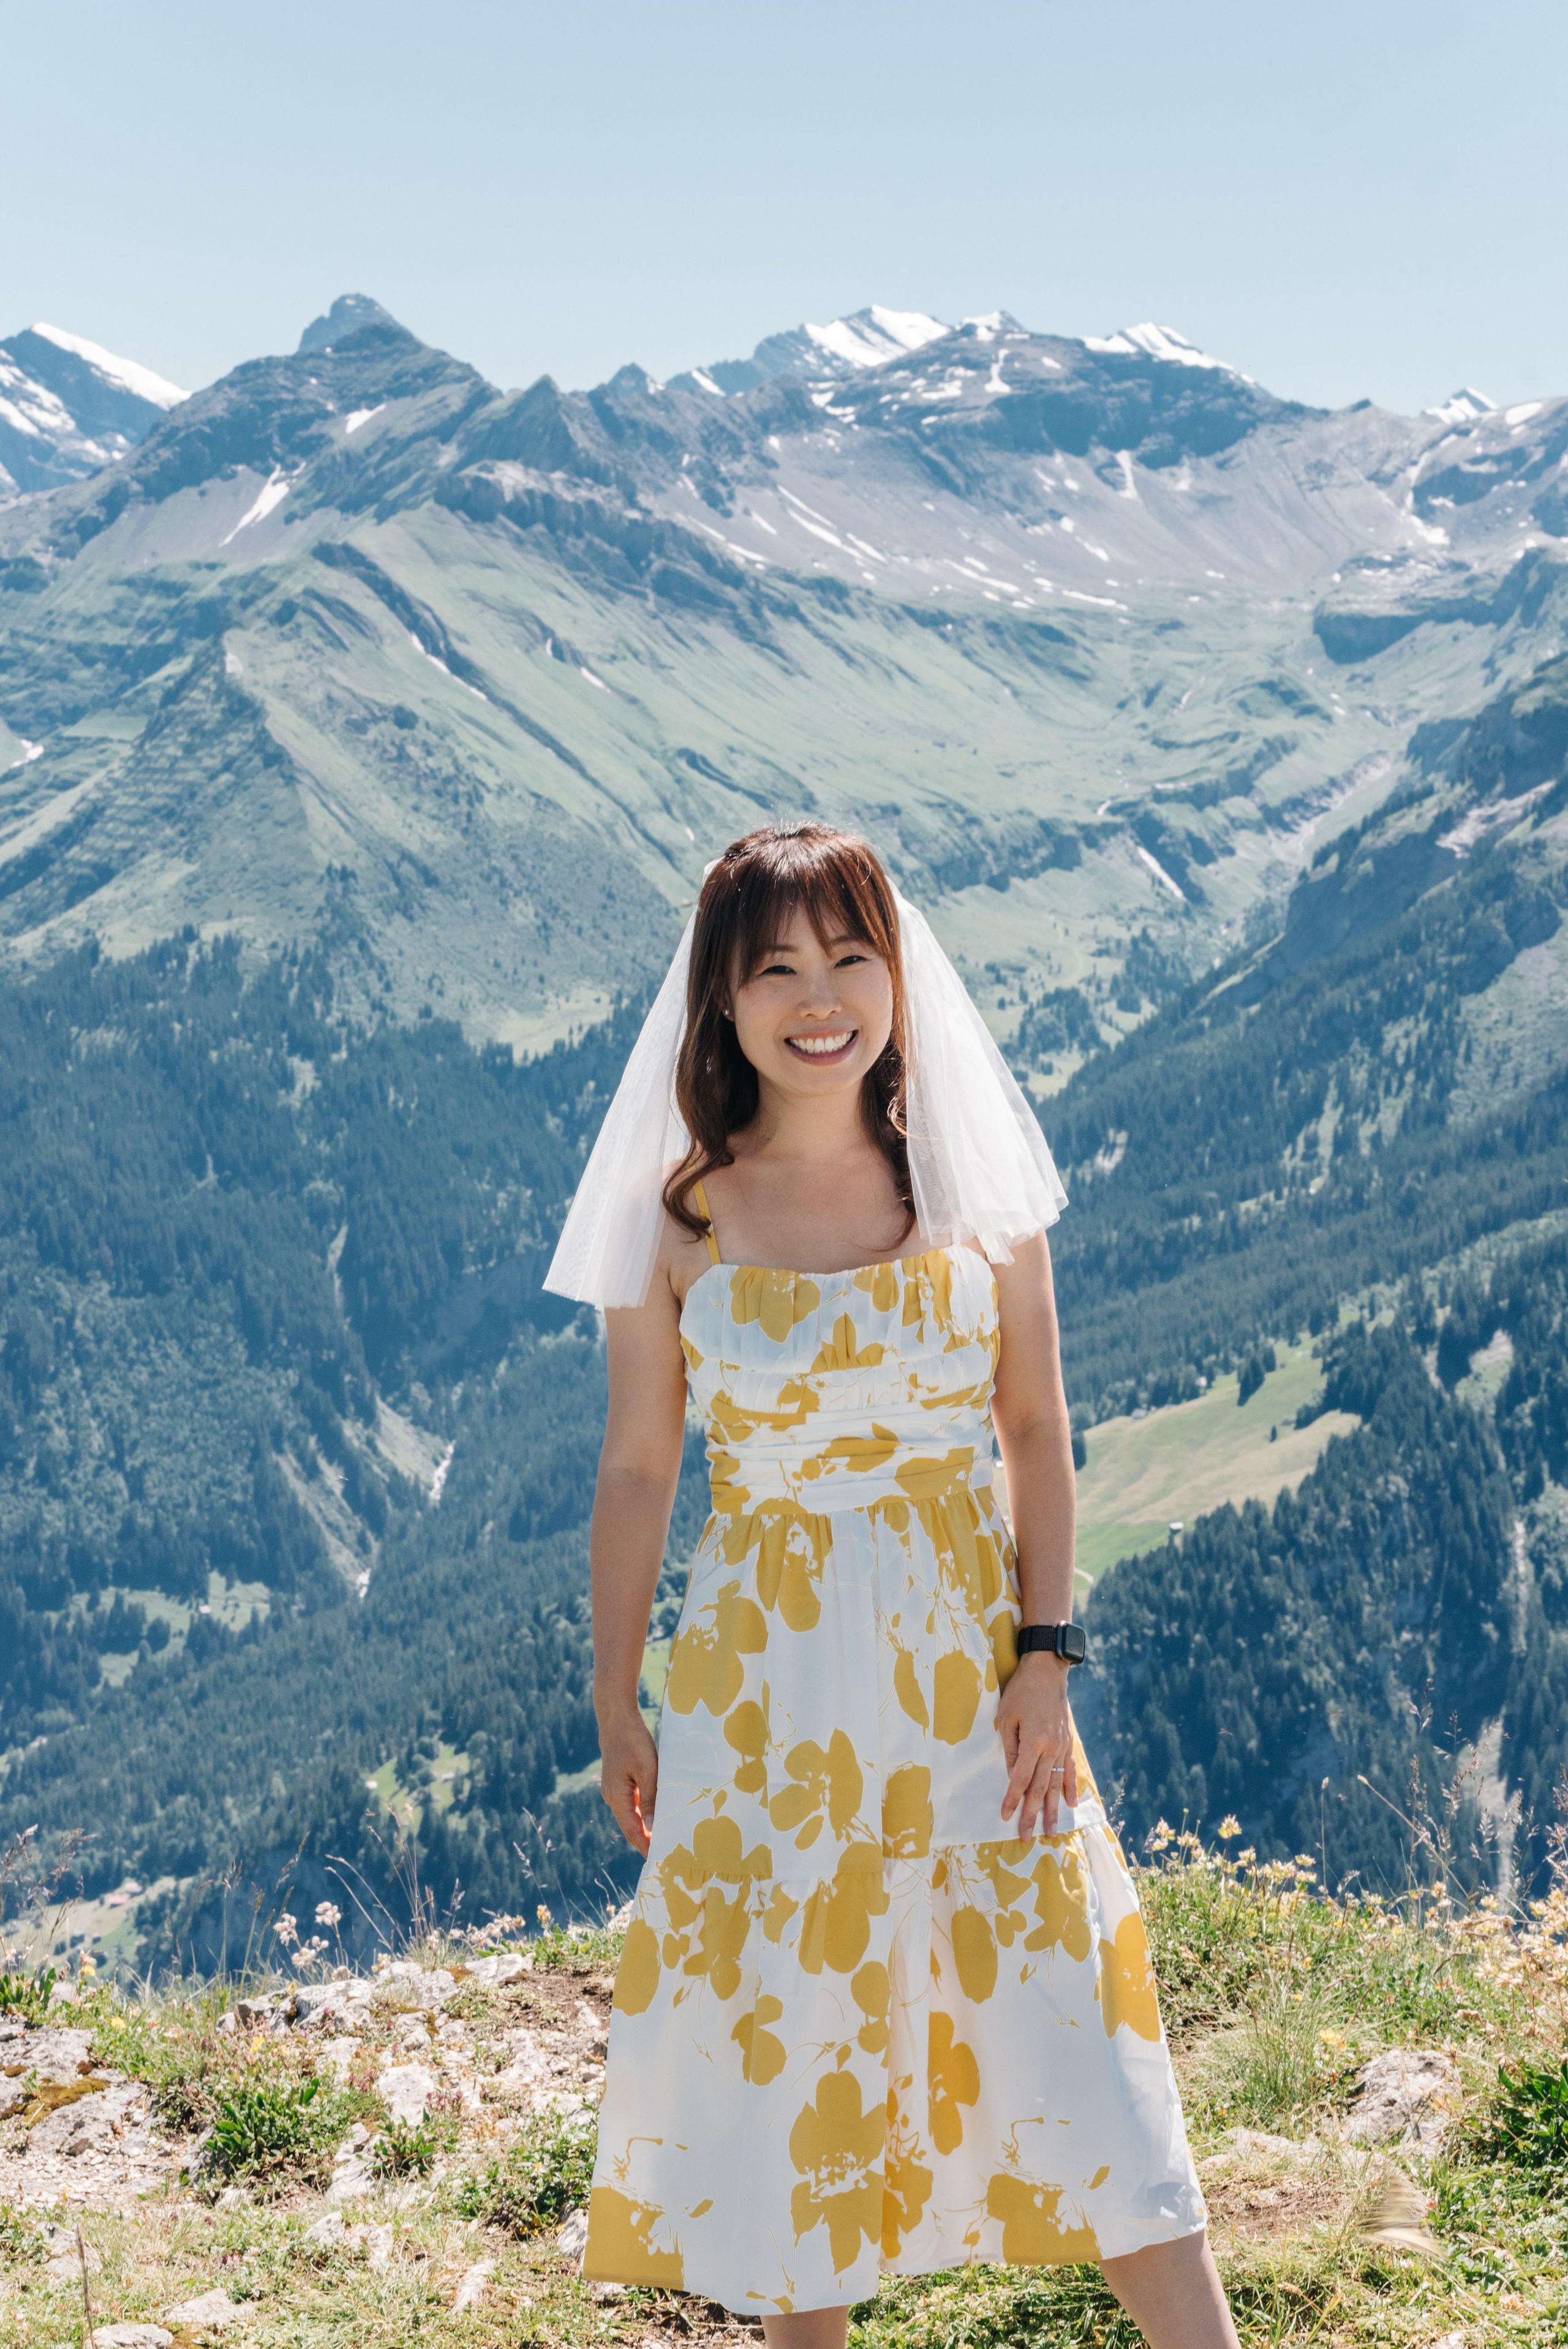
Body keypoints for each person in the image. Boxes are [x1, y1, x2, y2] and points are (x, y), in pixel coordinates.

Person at [545, 823, 1237, 2349]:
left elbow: (1037, 1430)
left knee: (1069, 2008)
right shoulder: (682, 1219)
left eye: (851, 957)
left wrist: (1045, 1655)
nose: (819, 996)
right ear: (717, 1001)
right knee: (803, 2035)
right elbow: (638, 1470)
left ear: (898, 973)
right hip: (763, 1683)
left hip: (964, 1667)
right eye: (775, 967)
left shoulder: (969, 1183)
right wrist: (615, 1698)